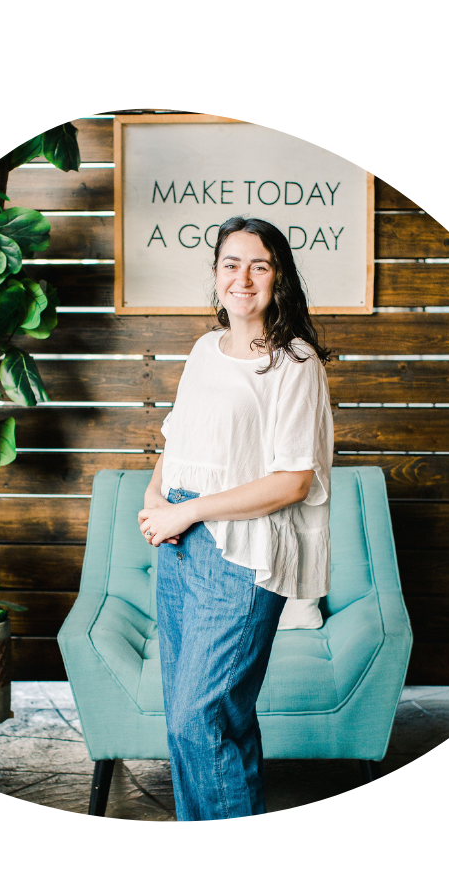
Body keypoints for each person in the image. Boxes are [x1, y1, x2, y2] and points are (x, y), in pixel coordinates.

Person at [137, 216, 334, 821]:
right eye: (231, 263)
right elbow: (177, 438)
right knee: (193, 720)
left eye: (260, 265)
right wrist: (155, 499)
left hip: (242, 555)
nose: (242, 277)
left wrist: (187, 511)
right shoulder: (204, 349)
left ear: (280, 279)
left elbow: (293, 480)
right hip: (179, 547)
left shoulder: (294, 363)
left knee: (203, 715)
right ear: (216, 274)